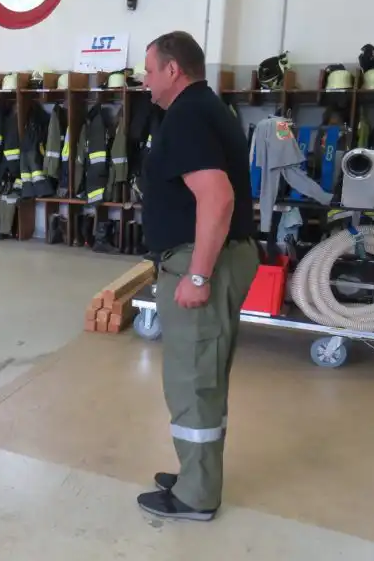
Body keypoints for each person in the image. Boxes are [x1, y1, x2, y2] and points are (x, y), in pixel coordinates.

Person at [135, 31, 260, 521]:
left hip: (203, 261)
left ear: (172, 70)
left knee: (193, 380)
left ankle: (196, 496)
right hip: (212, 256)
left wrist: (199, 275)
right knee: (202, 375)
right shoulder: (207, 108)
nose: (144, 81)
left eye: (149, 71)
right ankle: (196, 474)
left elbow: (217, 197)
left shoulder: (188, 115)